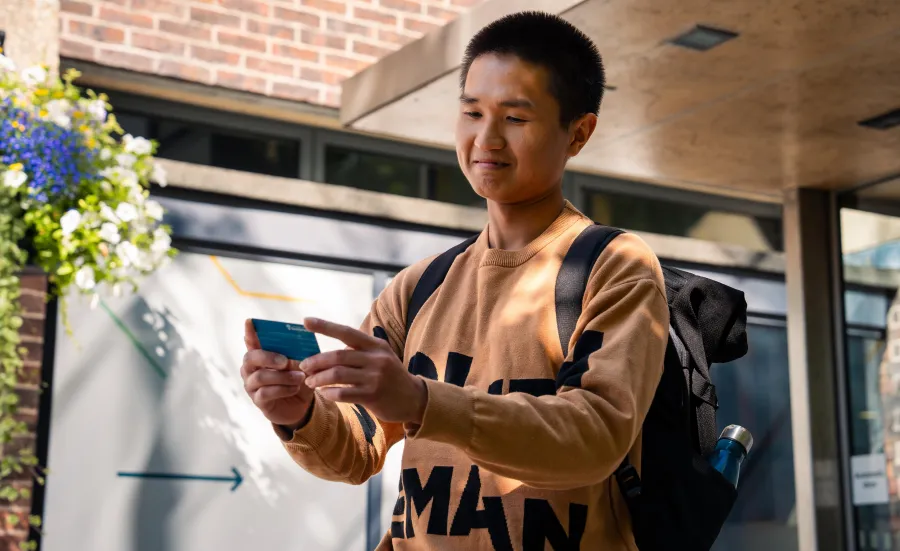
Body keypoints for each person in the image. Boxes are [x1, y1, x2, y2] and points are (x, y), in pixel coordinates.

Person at [240, 10, 669, 550]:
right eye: (471, 112)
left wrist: (423, 402)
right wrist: (298, 412)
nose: (486, 138)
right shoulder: (419, 286)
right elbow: (356, 449)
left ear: (578, 133)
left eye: (516, 118)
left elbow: (595, 437)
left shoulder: (614, 265)